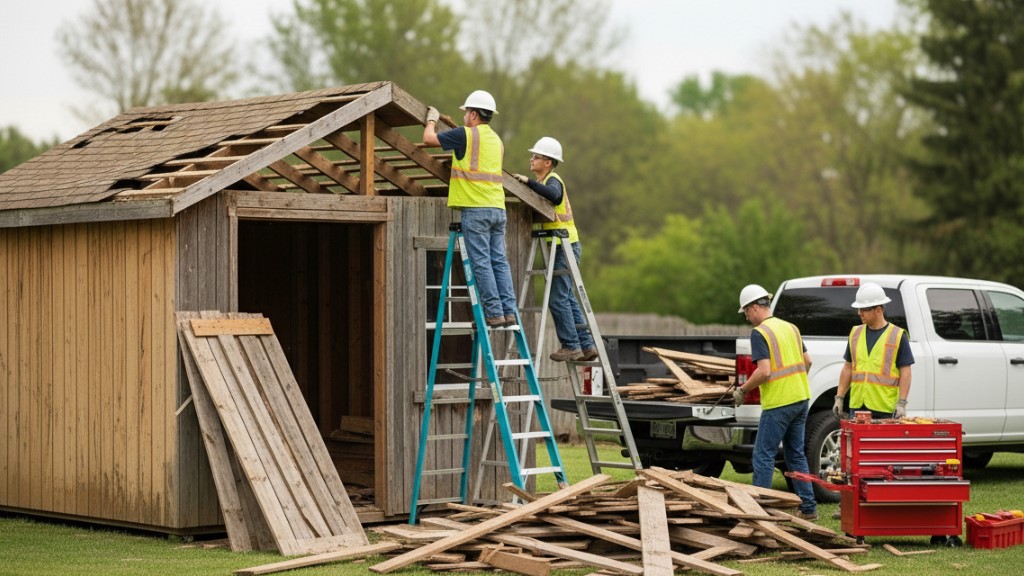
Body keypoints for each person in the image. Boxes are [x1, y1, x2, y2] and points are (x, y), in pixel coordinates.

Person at [423, 90, 518, 328]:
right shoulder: (496, 140)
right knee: (499, 262)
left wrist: (431, 120)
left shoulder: (466, 134)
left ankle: (493, 313)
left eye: (466, 112)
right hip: (497, 208)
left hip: (476, 209)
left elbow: (428, 140)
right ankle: (508, 312)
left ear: (473, 114)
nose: (465, 116)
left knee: (482, 263)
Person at [733, 284, 818, 520]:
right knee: (796, 455)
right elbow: (808, 361)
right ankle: (808, 508)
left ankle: (760, 511)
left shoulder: (760, 333)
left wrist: (743, 390)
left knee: (763, 455)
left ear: (753, 308)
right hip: (800, 398)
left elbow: (765, 372)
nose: (747, 317)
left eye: (746, 312)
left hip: (779, 403)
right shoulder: (791, 328)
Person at [511, 137, 597, 362]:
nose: (531, 159)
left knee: (557, 298)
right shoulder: (547, 180)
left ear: (548, 162)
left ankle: (571, 345)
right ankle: (586, 345)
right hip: (564, 245)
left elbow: (554, 195)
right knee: (566, 296)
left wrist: (529, 183)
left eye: (536, 156)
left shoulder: (553, 180)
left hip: (564, 245)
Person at [833, 282, 914, 420]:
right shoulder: (855, 333)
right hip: (857, 406)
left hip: (884, 408)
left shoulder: (898, 335)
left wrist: (902, 403)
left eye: (864, 309)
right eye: (859, 309)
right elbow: (848, 367)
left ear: (878, 310)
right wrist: (839, 397)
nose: (859, 313)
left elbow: (905, 371)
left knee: (880, 443)